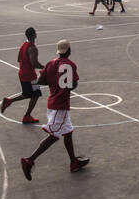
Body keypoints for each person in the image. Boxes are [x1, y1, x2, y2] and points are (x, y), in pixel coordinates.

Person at [20, 39, 89, 181]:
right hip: (61, 104)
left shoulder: (51, 63)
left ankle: (73, 162)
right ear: (69, 51)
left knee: (68, 132)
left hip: (52, 103)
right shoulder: (70, 65)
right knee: (54, 135)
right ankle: (29, 160)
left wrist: (52, 81)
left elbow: (40, 80)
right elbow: (71, 85)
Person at [0, 27, 43, 124]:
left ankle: (9, 101)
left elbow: (18, 59)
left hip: (22, 73)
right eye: (35, 32)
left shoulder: (24, 45)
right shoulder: (32, 48)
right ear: (33, 35)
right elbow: (34, 63)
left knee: (27, 94)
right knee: (35, 95)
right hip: (30, 76)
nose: (36, 33)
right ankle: (27, 116)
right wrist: (45, 68)